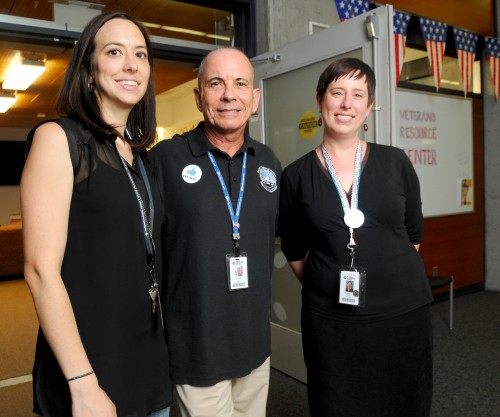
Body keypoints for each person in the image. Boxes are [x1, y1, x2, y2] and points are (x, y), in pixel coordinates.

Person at [21, 11, 172, 417]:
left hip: (149, 366)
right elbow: (39, 270)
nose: (131, 64)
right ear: (89, 69)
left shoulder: (141, 157)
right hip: (89, 370)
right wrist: (83, 384)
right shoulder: (61, 140)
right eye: (114, 52)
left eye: (140, 54)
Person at [279, 57, 434, 417]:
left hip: (402, 315)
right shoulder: (296, 175)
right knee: (337, 404)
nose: (347, 104)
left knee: (404, 403)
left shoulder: (396, 162)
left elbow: (413, 235)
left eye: (357, 95)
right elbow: (295, 250)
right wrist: (329, 280)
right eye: (337, 93)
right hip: (332, 324)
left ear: (369, 106)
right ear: (320, 102)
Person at [148, 46, 281, 417]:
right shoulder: (165, 160)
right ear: (198, 96)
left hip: (255, 345)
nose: (229, 95)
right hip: (197, 348)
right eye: (216, 84)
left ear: (254, 99)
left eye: (240, 84)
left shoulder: (268, 163)